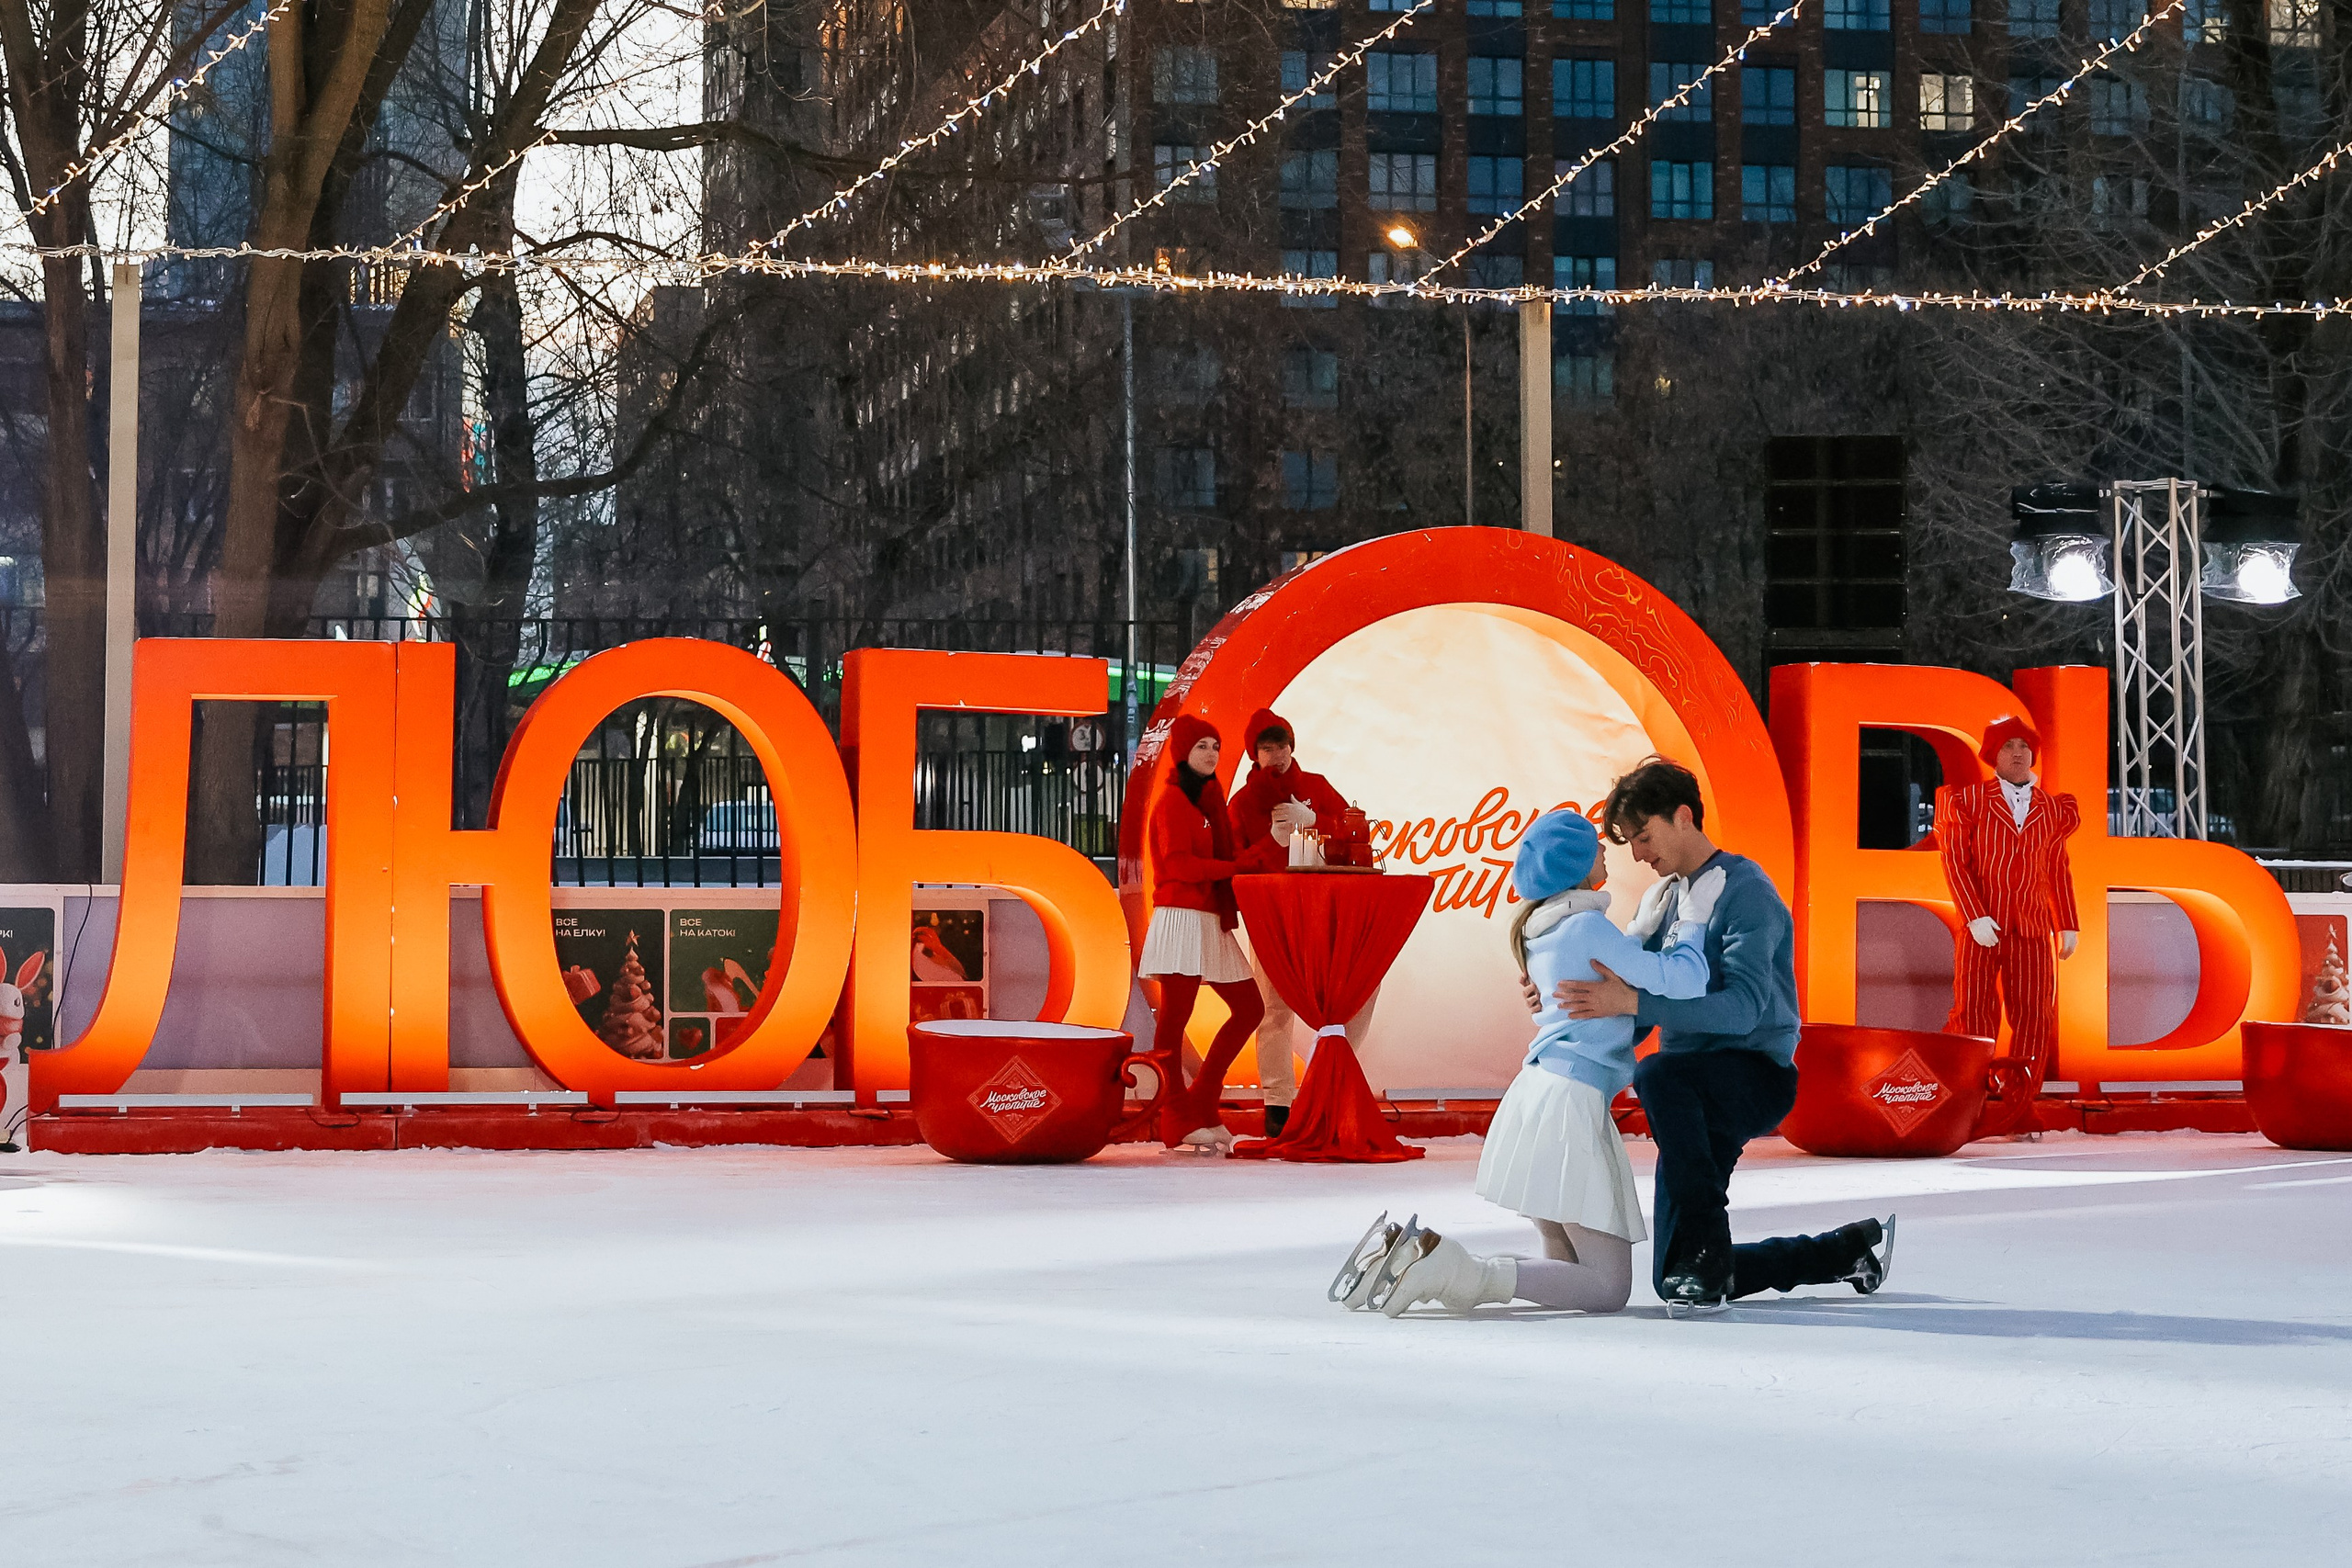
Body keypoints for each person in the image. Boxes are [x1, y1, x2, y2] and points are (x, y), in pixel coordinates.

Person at [1343, 808, 1724, 1316]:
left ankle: (1420, 1258)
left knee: (1566, 1267)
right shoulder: (1586, 926)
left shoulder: (1542, 928)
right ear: (1575, 864)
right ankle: (1452, 1269)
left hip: (1539, 1100)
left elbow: (1603, 967)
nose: (1607, 851)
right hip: (1568, 1108)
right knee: (1607, 1288)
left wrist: (1639, 928)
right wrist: (1693, 919)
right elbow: (1683, 980)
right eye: (1595, 845)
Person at [1553, 758, 1894, 1313]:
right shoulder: (1661, 900)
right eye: (1630, 843)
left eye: (1644, 836)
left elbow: (1742, 1011)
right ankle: (1841, 1252)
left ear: (1683, 817)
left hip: (1753, 1074)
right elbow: (1632, 1009)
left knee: (1658, 1072)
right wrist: (1567, 1002)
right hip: (1686, 1093)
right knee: (1675, 1278)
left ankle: (1709, 1247)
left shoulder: (1747, 890)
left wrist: (1637, 1001)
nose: (1638, 854)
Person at [1938, 713, 2080, 1135]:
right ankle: (1973, 1102)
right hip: (1983, 927)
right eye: (2007, 747)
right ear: (1991, 755)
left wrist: (2067, 922)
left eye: (2023, 747)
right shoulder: (1968, 801)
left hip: (2034, 929)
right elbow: (1954, 861)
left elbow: (2057, 868)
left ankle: (2019, 1105)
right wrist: (1974, 913)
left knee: (2036, 1018)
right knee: (1974, 1017)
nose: (2017, 754)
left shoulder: (2053, 809)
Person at [1227, 708, 1366, 1135]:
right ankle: (1277, 1103)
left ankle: (1329, 1085)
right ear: (1255, 754)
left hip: (1324, 910)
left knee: (1346, 995)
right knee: (1273, 1006)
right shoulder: (1242, 804)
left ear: (1292, 746)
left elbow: (1357, 836)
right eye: (1267, 748)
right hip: (1271, 914)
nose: (1277, 755)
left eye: (1282, 744)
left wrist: (1317, 823)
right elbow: (1235, 867)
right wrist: (1273, 842)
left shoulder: (1316, 788)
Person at [1139, 715, 1274, 1152]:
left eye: (1215, 746)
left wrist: (1269, 842)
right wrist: (1235, 866)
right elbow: (1178, 865)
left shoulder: (1208, 801)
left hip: (1207, 916)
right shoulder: (1173, 802)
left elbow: (1230, 857)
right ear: (1182, 753)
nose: (1211, 754)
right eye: (1202, 747)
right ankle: (1175, 1115)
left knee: (1249, 1007)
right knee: (1174, 1023)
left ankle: (1200, 1102)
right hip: (1181, 917)